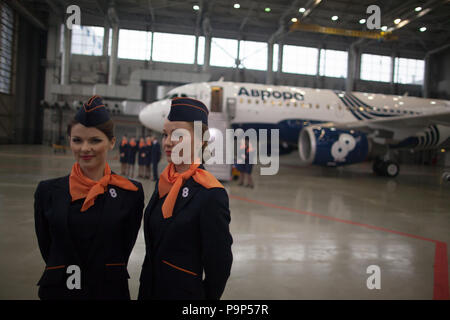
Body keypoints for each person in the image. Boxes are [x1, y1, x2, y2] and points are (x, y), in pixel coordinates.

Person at [34, 95, 144, 300]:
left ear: (111, 143)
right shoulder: (47, 192)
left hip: (108, 291)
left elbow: (124, 247)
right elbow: (47, 248)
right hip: (60, 291)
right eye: (77, 140)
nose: (85, 148)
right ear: (70, 141)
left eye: (95, 140)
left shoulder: (130, 193)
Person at [138, 97, 233, 300]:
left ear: (201, 140)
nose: (167, 142)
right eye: (165, 134)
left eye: (178, 135)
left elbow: (219, 264)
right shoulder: (165, 182)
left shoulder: (210, 193)